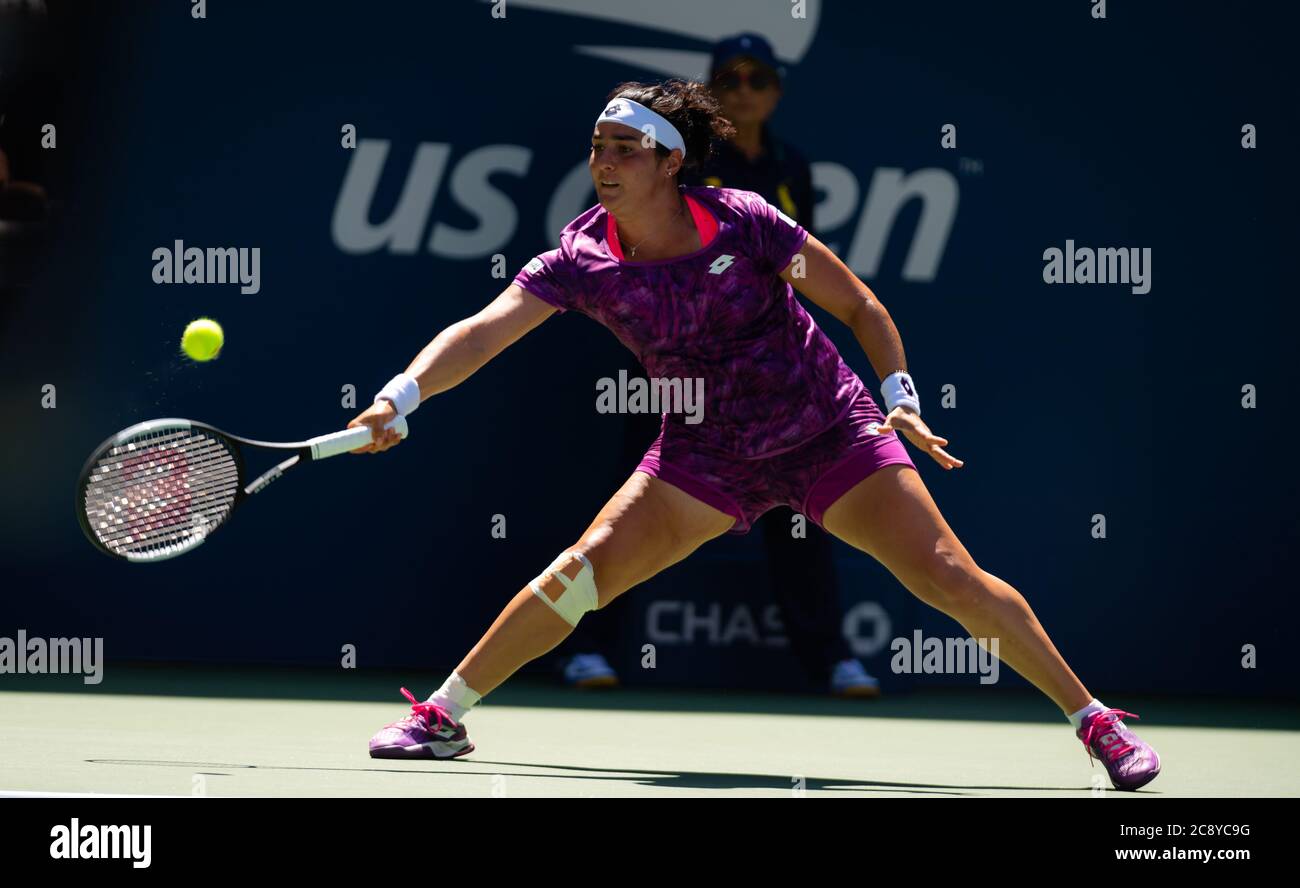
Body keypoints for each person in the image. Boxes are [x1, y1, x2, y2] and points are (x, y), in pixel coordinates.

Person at [350, 80, 1161, 790]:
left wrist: (900, 397)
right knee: (578, 575)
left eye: (626, 148)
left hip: (830, 431)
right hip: (704, 454)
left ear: (671, 161)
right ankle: (442, 716)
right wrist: (401, 394)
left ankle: (1095, 722)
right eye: (598, 145)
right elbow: (483, 332)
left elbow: (861, 307)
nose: (605, 160)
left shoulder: (748, 223)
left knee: (949, 575)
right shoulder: (580, 257)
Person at [555, 37, 877, 696]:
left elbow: (802, 272)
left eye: (759, 79)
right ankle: (590, 649)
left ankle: (831, 660)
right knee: (624, 521)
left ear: (776, 92)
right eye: (731, 80)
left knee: (804, 521)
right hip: (680, 372)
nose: (745, 91)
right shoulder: (687, 160)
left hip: (777, 387)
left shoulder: (789, 166)